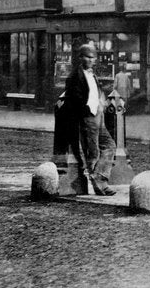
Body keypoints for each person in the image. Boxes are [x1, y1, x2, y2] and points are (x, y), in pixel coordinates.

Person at [62, 43, 116, 195]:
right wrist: (85, 111)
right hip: (87, 117)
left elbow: (96, 91)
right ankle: (100, 185)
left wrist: (101, 102)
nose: (91, 60)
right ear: (80, 58)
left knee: (109, 145)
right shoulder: (74, 77)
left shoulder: (92, 74)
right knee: (93, 152)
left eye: (93, 58)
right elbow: (73, 99)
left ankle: (99, 176)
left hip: (98, 116)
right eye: (88, 57)